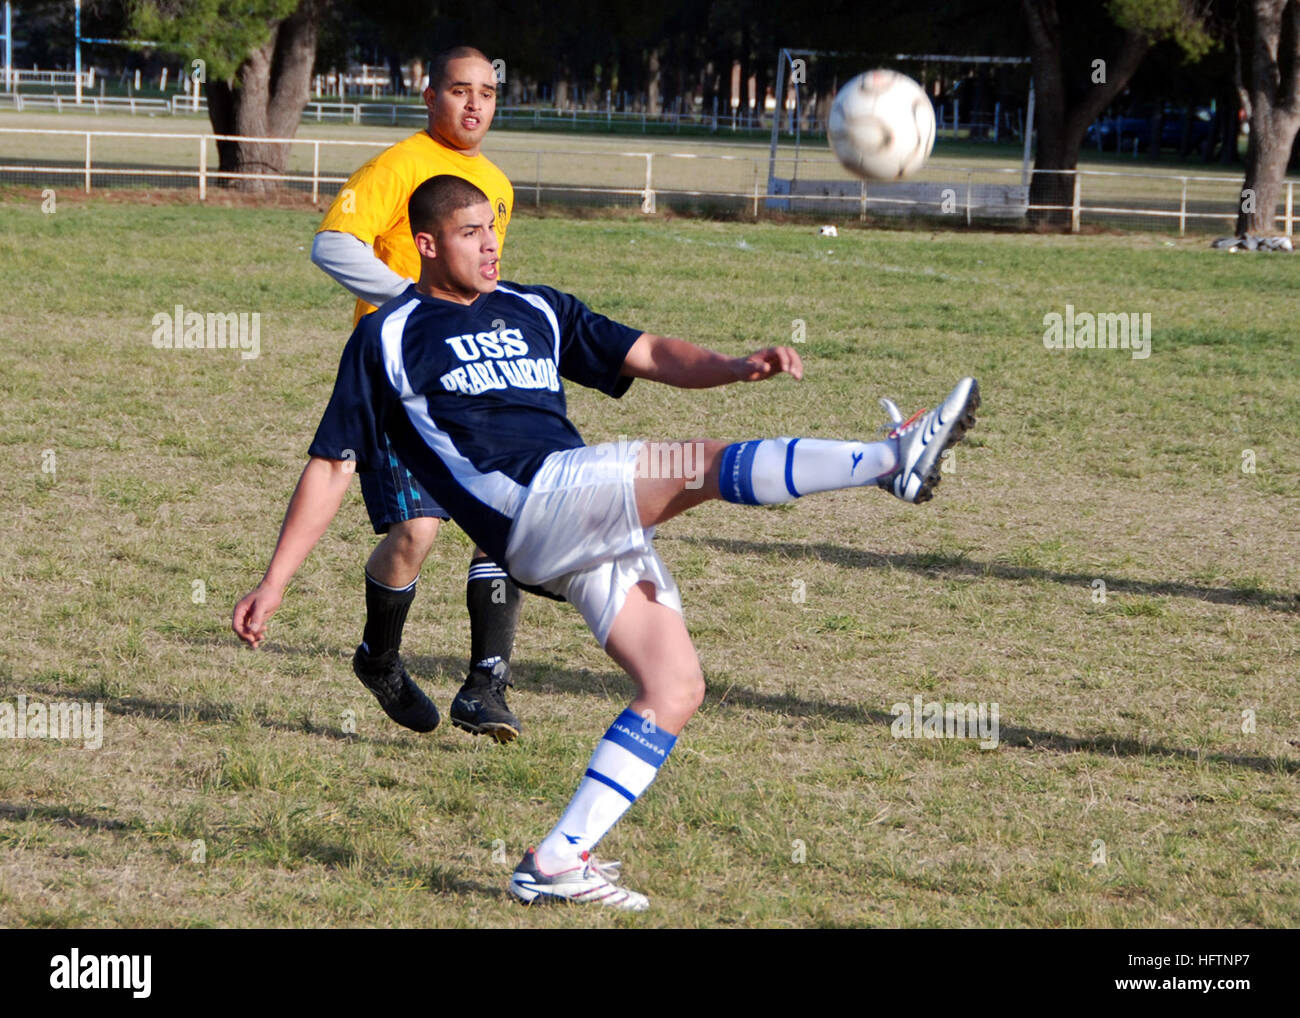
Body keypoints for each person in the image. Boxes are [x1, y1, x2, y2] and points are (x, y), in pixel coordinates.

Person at [234, 174, 980, 910]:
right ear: (425, 245)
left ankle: (557, 860)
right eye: (470, 234)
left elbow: (647, 353)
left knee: (675, 687)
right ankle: (891, 462)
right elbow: (332, 465)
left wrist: (735, 366)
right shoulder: (388, 336)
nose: (490, 245)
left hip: (573, 512)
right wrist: (275, 585)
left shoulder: (534, 307)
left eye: (493, 228)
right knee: (697, 464)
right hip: (528, 500)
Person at [311, 46, 524, 742]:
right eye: (460, 90)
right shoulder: (398, 165)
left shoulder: (496, 183)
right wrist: (414, 299)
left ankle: (485, 685)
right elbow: (333, 245)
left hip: (471, 370)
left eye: (487, 93)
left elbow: (483, 269)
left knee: (509, 514)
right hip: (398, 375)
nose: (474, 105)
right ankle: (380, 660)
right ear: (428, 93)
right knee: (416, 532)